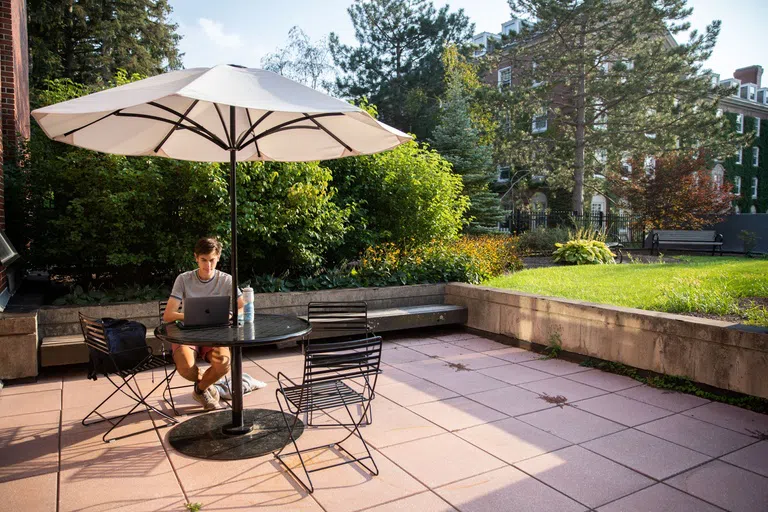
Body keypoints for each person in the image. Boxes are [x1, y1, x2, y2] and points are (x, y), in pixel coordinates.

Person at [163, 237, 244, 410]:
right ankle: (207, 384)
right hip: (187, 335)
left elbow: (242, 307)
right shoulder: (184, 279)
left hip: (215, 334)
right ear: (196, 258)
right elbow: (168, 315)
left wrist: (230, 314)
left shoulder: (227, 280)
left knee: (223, 363)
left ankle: (200, 390)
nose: (208, 266)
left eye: (212, 260)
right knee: (186, 368)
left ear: (218, 257)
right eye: (203, 260)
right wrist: (193, 316)